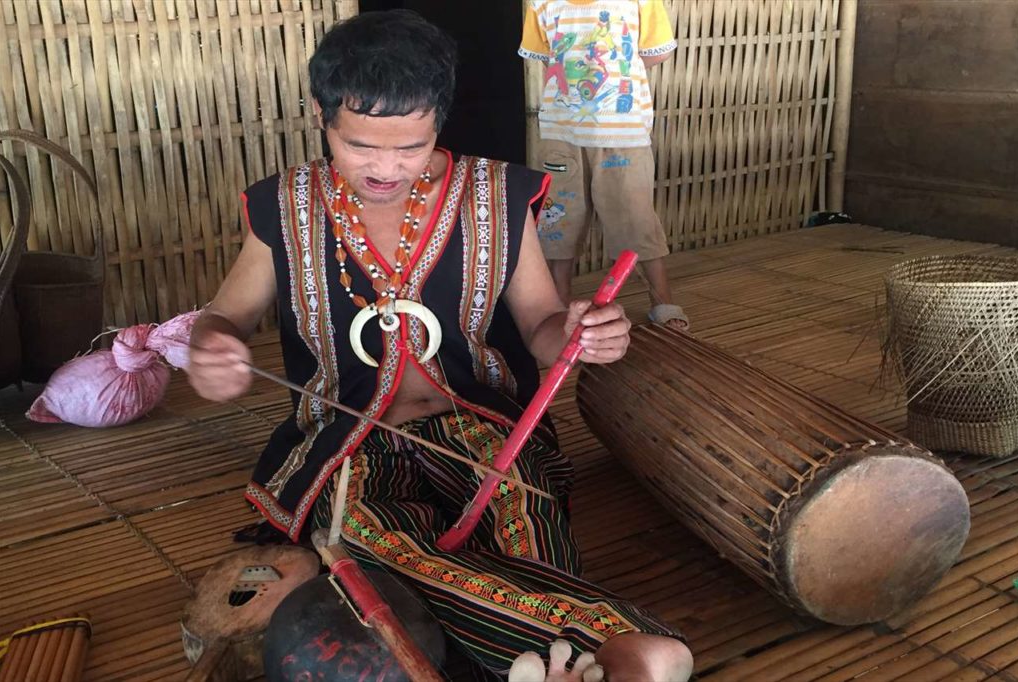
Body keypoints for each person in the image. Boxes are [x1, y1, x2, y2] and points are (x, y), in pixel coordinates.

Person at [186, 10, 692, 682]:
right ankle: (611, 649)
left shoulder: (496, 195)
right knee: (363, 534)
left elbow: (542, 324)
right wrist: (212, 348)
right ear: (320, 115)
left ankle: (591, 655)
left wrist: (575, 333)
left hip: (485, 427)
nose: (387, 168)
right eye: (361, 146)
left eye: (412, 147)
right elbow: (225, 316)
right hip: (348, 439)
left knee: (524, 504)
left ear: (439, 122)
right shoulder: (286, 206)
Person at [520, 0, 690, 330]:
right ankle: (557, 306)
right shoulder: (542, 4)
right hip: (560, 132)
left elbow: (656, 52)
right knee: (559, 219)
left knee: (635, 215)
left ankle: (662, 300)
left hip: (623, 131)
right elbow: (546, 61)